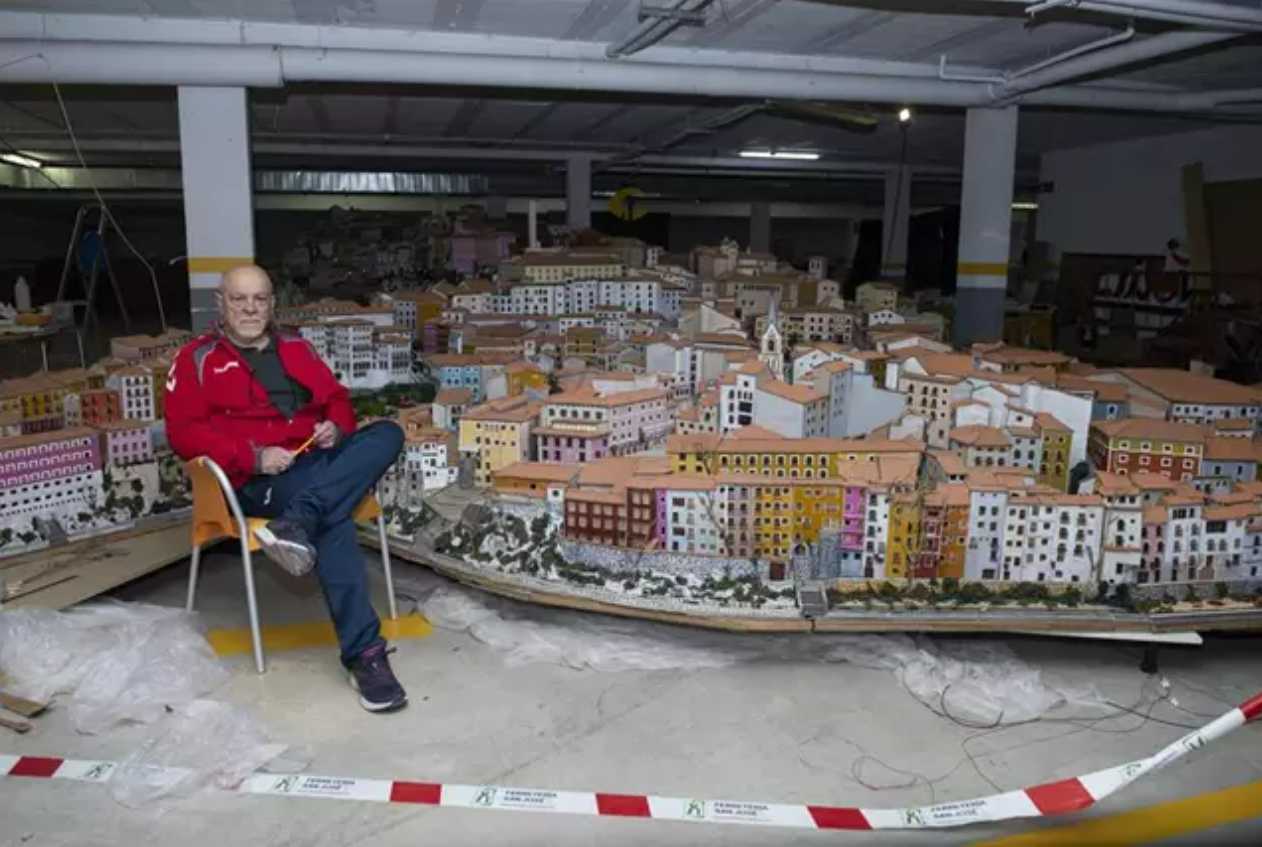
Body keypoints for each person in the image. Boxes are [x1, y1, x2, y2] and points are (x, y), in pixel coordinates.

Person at [165, 265, 408, 712]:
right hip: (257, 479)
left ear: (272, 303)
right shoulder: (196, 360)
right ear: (221, 303)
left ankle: (300, 517)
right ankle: (366, 655)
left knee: (389, 433)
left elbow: (336, 398)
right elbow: (183, 434)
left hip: (314, 458)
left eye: (260, 298)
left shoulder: (296, 346)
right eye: (239, 299)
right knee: (333, 514)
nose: (250, 308)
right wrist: (253, 456)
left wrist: (336, 425)